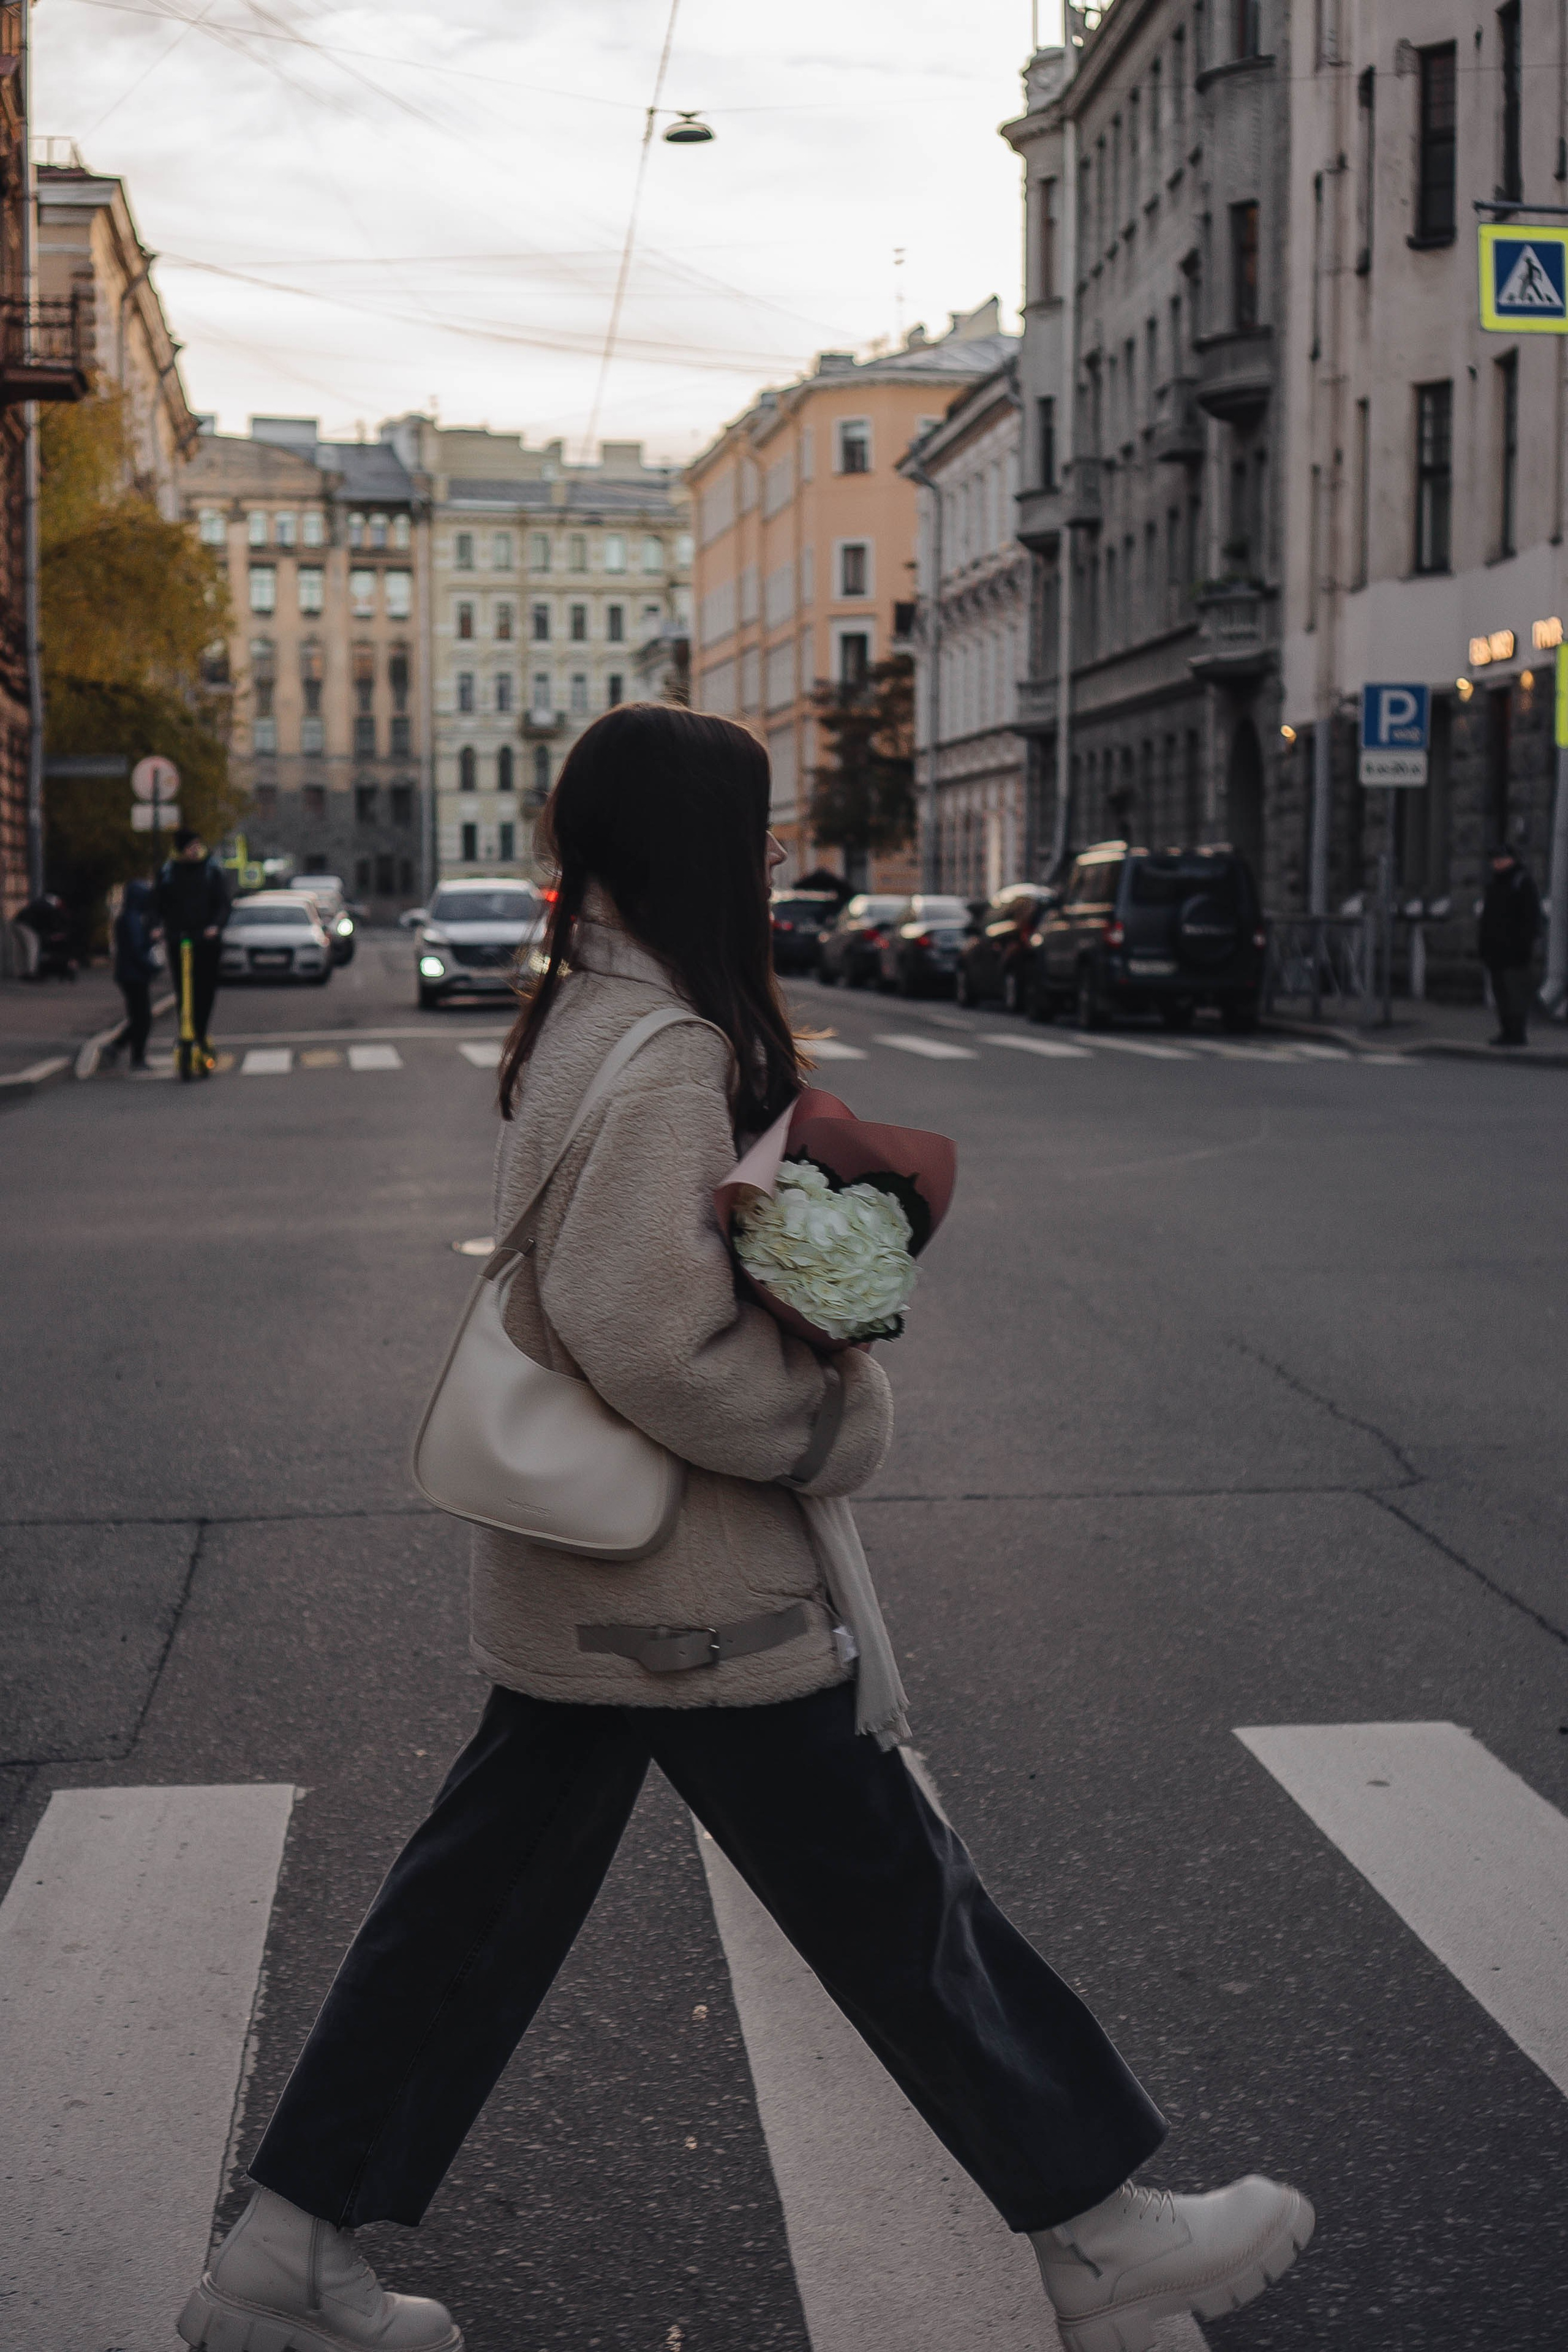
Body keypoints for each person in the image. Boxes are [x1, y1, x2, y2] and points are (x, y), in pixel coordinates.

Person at [176, 706, 1313, 2352]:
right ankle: (1105, 2234)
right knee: (899, 1907)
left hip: (606, 1594)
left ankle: (287, 2250)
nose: (775, 857)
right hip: (688, 1597)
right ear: (700, 848)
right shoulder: (670, 1052)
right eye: (758, 833)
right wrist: (826, 1420)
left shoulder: (590, 1012)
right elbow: (642, 1329)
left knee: (477, 1921)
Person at [155, 827, 228, 1066]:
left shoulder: (211, 871)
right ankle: (187, 1034)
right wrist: (156, 926)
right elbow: (157, 904)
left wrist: (215, 926)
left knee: (204, 991)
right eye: (190, 846)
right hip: (179, 939)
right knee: (183, 990)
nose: (195, 850)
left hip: (206, 941)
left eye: (197, 845)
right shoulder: (169, 873)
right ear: (181, 849)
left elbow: (223, 904)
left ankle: (201, 1033)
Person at [1479, 845, 1541, 1047]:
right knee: (1501, 995)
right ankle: (1506, 1032)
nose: (1496, 863)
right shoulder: (1495, 884)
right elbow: (1487, 919)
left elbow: (1531, 919)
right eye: (1494, 860)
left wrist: (1524, 946)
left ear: (1511, 860)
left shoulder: (1521, 882)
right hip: (1496, 952)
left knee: (1516, 994)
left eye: (1501, 859)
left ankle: (1517, 1034)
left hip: (1516, 953)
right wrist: (1484, 947)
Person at [110, 879, 161, 1072]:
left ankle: (119, 1048)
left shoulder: (131, 916)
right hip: (134, 975)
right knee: (142, 1018)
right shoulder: (133, 919)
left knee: (140, 1017)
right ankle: (135, 1057)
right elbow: (137, 949)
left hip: (130, 974)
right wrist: (152, 967)